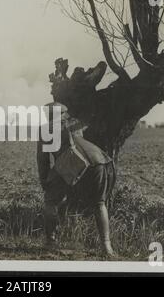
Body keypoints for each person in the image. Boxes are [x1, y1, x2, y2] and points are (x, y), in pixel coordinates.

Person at [37, 102, 116, 257]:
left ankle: (51, 241)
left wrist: (45, 182)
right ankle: (107, 247)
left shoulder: (45, 129)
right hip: (99, 160)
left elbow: (43, 160)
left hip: (72, 162)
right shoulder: (75, 123)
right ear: (64, 113)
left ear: (48, 114)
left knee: (50, 201)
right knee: (99, 203)